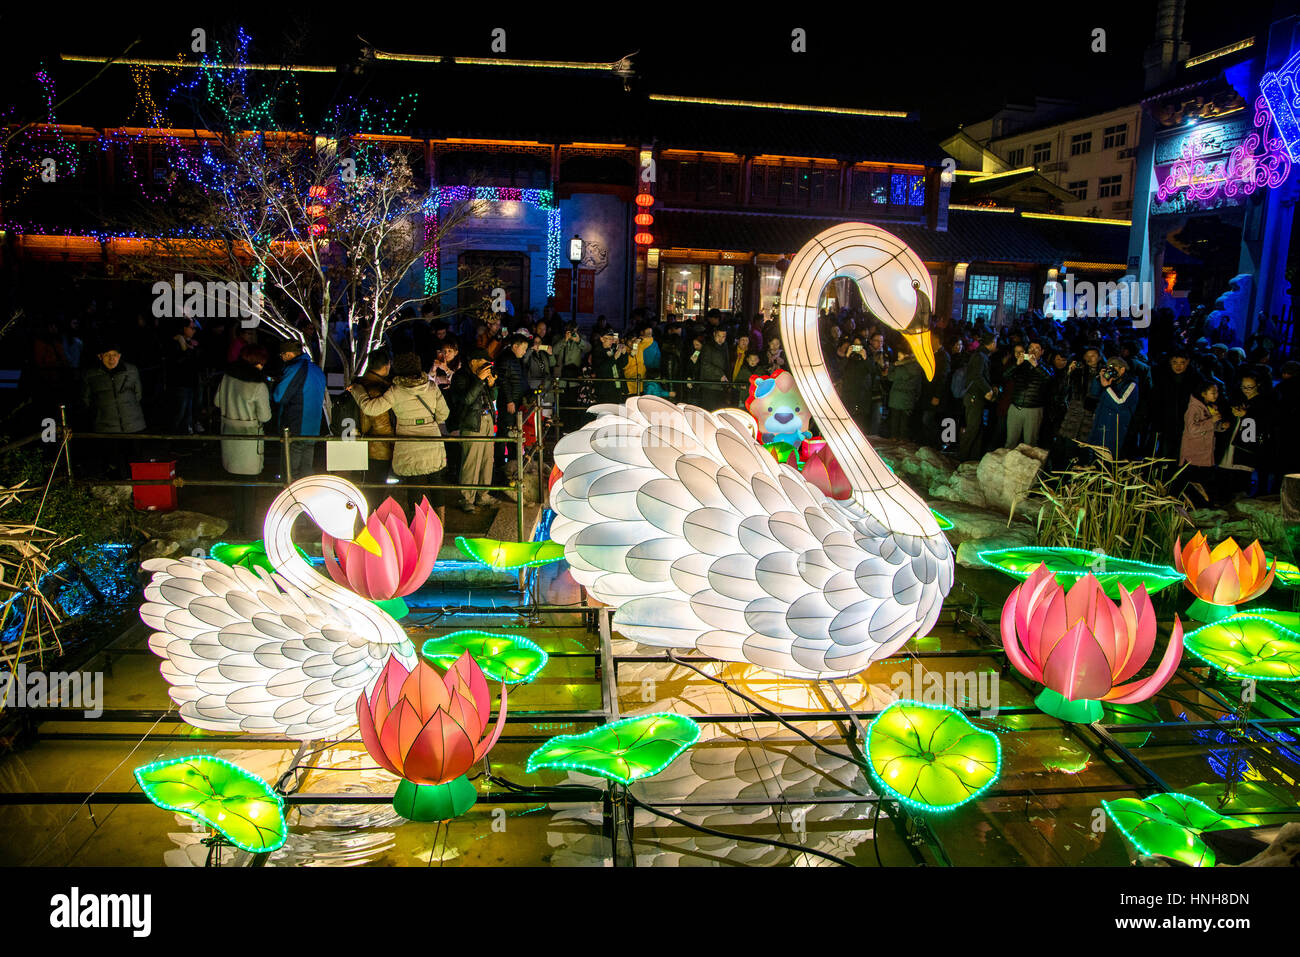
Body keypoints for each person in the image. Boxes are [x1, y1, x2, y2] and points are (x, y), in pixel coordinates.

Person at [350, 352, 451, 517]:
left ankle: (416, 524)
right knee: (436, 480)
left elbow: (370, 408)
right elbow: (443, 414)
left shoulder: (396, 390)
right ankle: (441, 522)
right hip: (431, 437)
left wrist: (357, 389)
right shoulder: (431, 387)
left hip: (407, 438)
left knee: (414, 483)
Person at [214, 344, 272, 538]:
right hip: (249, 439)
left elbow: (216, 402)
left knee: (235, 483)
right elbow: (265, 416)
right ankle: (249, 526)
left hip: (229, 436)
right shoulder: (258, 385)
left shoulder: (228, 377)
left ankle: (238, 523)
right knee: (250, 485)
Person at [81, 341, 146, 477]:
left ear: (120, 356)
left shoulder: (131, 370)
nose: (111, 359)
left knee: (134, 460)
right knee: (113, 461)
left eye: (114, 355)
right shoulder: (91, 375)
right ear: (100, 357)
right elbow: (86, 399)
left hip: (132, 424)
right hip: (106, 426)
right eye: (107, 355)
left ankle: (136, 489)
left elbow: (138, 394)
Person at [449, 350, 498, 513]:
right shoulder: (461, 377)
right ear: (473, 361)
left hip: (487, 419)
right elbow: (466, 400)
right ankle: (467, 498)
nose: (486, 366)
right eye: (484, 362)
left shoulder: (481, 376)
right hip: (471, 423)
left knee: (487, 459)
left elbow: (492, 398)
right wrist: (478, 380)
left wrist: (491, 385)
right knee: (471, 461)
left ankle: (483, 495)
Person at [272, 342, 328, 480]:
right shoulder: (316, 370)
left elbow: (279, 396)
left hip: (296, 426)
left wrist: (273, 385)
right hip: (313, 428)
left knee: (291, 473)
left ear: (289, 354)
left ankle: (292, 500)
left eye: (282, 355)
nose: (282, 358)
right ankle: (306, 498)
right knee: (307, 471)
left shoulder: (295, 368)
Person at [1180, 381, 1232, 507]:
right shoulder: (1194, 408)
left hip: (1203, 451)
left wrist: (1220, 426)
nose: (1216, 395)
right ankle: (1196, 505)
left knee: (1204, 480)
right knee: (1196, 480)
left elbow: (1209, 426)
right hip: (1195, 452)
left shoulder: (1208, 406)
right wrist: (1212, 421)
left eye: (1217, 392)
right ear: (1203, 393)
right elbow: (1192, 428)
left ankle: (1203, 504)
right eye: (1213, 392)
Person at [353, 350, 396, 490]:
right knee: (375, 490)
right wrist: (392, 444)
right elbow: (381, 425)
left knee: (365, 487)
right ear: (387, 365)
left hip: (360, 444)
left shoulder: (360, 384)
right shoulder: (377, 389)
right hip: (377, 449)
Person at [1004, 340, 1052, 448]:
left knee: (1030, 443)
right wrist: (1016, 364)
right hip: (1015, 406)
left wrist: (1036, 365)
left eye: (1037, 348)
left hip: (1033, 409)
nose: (1033, 351)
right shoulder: (1021, 364)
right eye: (1030, 348)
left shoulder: (1045, 366)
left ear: (1042, 352)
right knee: (1010, 441)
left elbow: (1049, 379)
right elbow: (1005, 376)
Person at [1087, 356, 1137, 460]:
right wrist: (1099, 379)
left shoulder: (1131, 384)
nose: (1111, 372)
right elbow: (1093, 394)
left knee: (1108, 463)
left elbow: (1120, 403)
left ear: (1122, 369)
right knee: (1094, 461)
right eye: (1109, 368)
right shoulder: (1108, 381)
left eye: (1114, 369)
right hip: (1099, 428)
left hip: (1115, 431)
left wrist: (1107, 387)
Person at [957, 333, 997, 461]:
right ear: (991, 343)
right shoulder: (980, 356)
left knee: (977, 429)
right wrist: (988, 390)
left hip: (975, 396)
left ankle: (973, 458)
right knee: (972, 429)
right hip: (974, 396)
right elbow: (977, 376)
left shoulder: (981, 355)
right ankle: (962, 458)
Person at [164, 318, 204, 434]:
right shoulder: (174, 343)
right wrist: (184, 346)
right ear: (183, 328)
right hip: (179, 384)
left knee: (188, 413)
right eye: (192, 328)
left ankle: (185, 437)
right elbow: (178, 362)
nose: (194, 331)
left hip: (190, 383)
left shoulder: (192, 342)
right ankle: (173, 438)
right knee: (179, 413)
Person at [884, 346, 924, 441]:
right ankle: (903, 442)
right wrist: (916, 396)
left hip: (896, 398)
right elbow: (919, 385)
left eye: (899, 356)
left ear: (906, 355)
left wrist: (892, 365)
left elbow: (890, 377)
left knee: (895, 422)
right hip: (909, 398)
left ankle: (894, 441)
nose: (898, 358)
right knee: (905, 423)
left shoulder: (900, 368)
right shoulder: (917, 367)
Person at [697, 327, 730, 410]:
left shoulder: (725, 346)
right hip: (709, 384)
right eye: (718, 336)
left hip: (721, 384)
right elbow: (705, 364)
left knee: (719, 410)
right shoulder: (708, 347)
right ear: (714, 334)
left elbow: (726, 363)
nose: (720, 339)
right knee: (710, 410)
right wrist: (720, 374)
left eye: (723, 337)